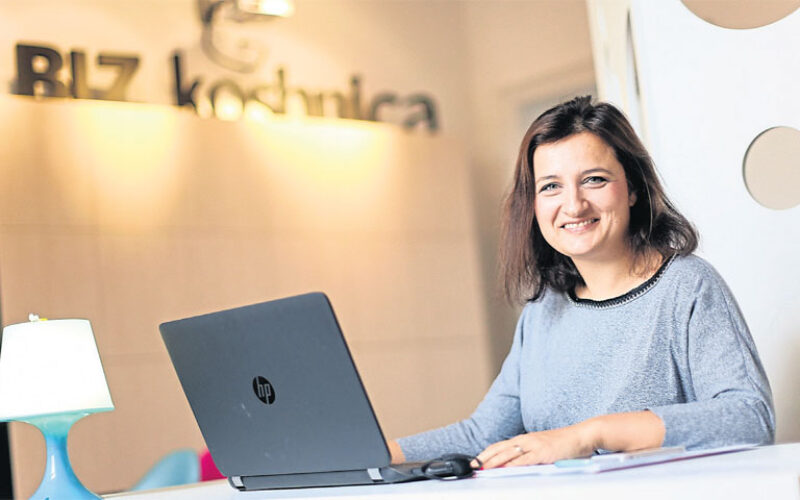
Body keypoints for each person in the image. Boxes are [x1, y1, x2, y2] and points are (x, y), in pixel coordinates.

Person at [388, 96, 775, 469]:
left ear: (633, 189)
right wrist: (376, 452)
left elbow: (749, 417)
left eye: (594, 180)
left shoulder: (687, 286)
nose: (573, 205)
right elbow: (482, 434)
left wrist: (589, 435)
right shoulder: (542, 312)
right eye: (550, 186)